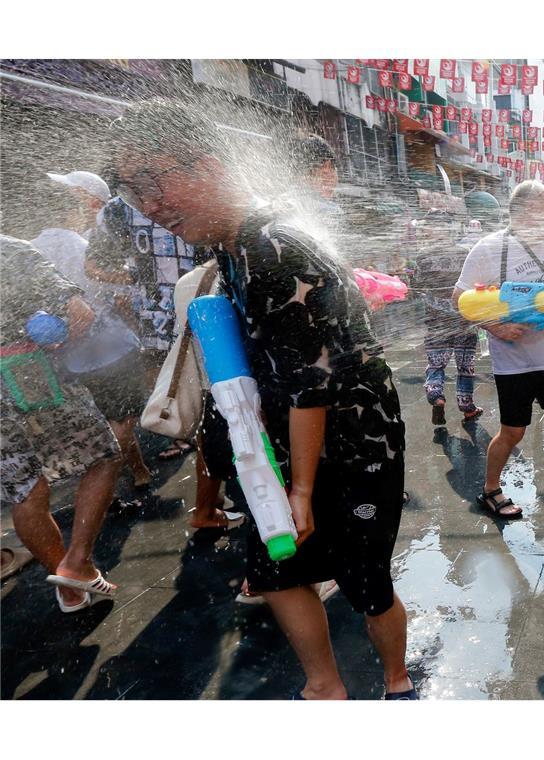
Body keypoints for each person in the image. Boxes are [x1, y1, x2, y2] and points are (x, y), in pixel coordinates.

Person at [114, 99, 415, 699]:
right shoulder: (233, 244)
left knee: (365, 581)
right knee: (277, 569)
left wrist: (298, 490)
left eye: (153, 180)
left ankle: (396, 682)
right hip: (279, 445)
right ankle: (324, 687)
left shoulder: (276, 244)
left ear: (208, 165)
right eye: (131, 190)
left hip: (351, 445)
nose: (148, 206)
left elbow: (311, 382)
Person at [1, 235, 122, 613]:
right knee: (103, 458)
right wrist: (61, 339)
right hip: (29, 374)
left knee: (26, 491)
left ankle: (69, 587)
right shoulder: (12, 250)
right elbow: (80, 313)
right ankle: (76, 561)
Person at [453, 180, 544, 520]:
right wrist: (496, 327)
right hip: (511, 361)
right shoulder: (488, 248)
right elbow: (461, 301)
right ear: (524, 211)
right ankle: (490, 490)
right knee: (513, 431)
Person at [36, 172, 154, 491]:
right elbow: (118, 296)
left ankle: (137, 472)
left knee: (105, 420)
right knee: (122, 421)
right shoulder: (85, 247)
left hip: (70, 357)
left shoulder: (32, 252)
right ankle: (107, 483)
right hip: (111, 347)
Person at [86, 173, 204, 461]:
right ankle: (187, 435)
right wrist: (137, 279)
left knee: (208, 381)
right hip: (154, 320)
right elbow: (94, 265)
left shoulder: (188, 190)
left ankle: (204, 442)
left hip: (200, 305)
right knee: (167, 382)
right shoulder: (116, 211)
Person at [411, 209, 483, 425]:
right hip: (463, 318)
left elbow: (416, 286)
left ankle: (436, 396)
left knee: (436, 364)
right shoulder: (464, 253)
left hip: (435, 320)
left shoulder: (422, 255)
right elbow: (474, 283)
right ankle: (467, 406)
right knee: (465, 365)